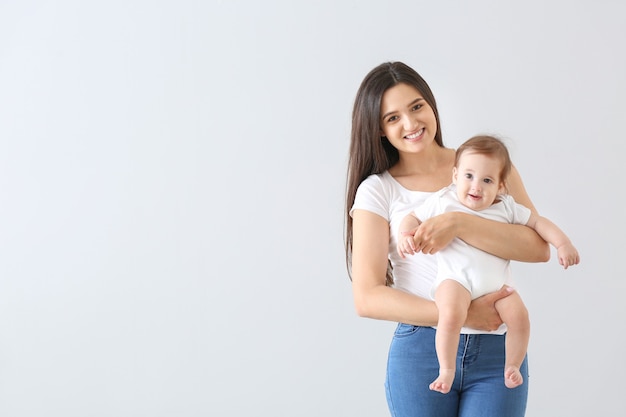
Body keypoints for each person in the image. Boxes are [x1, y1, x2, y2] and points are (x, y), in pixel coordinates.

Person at [344, 61, 551, 417]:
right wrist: (464, 315)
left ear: (431, 104)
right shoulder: (377, 191)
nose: (410, 124)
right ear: (378, 129)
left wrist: (458, 224)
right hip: (422, 350)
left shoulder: (484, 165)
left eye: (416, 106)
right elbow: (367, 297)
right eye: (392, 118)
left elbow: (537, 248)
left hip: (497, 349)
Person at [396, 135, 580, 395]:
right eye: (469, 176)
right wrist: (406, 235)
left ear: (501, 185)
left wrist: (563, 243)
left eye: (487, 180)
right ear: (455, 175)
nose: (476, 186)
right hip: (455, 280)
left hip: (497, 288)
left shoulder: (506, 207)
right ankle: (446, 369)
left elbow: (539, 224)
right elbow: (412, 217)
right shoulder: (444, 200)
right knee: (450, 314)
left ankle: (512, 366)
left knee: (520, 317)